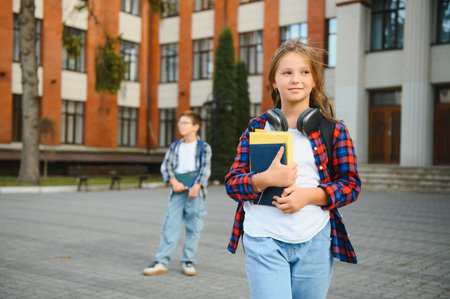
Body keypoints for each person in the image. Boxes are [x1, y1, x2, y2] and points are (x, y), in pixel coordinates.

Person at [225, 39, 361, 299]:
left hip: (315, 241)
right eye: (287, 72)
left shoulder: (334, 130)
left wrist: (309, 196)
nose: (295, 79)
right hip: (263, 238)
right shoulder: (256, 128)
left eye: (304, 72)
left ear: (313, 81)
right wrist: (263, 179)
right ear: (274, 81)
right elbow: (232, 183)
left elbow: (352, 184)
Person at [143, 110, 211, 276]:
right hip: (177, 191)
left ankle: (188, 261)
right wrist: (173, 182)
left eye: (185, 123)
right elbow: (166, 166)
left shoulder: (204, 147)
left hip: (195, 193)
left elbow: (205, 168)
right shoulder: (175, 147)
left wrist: (197, 186)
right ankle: (161, 261)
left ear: (196, 126)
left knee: (193, 227)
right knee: (170, 225)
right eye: (179, 123)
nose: (181, 126)